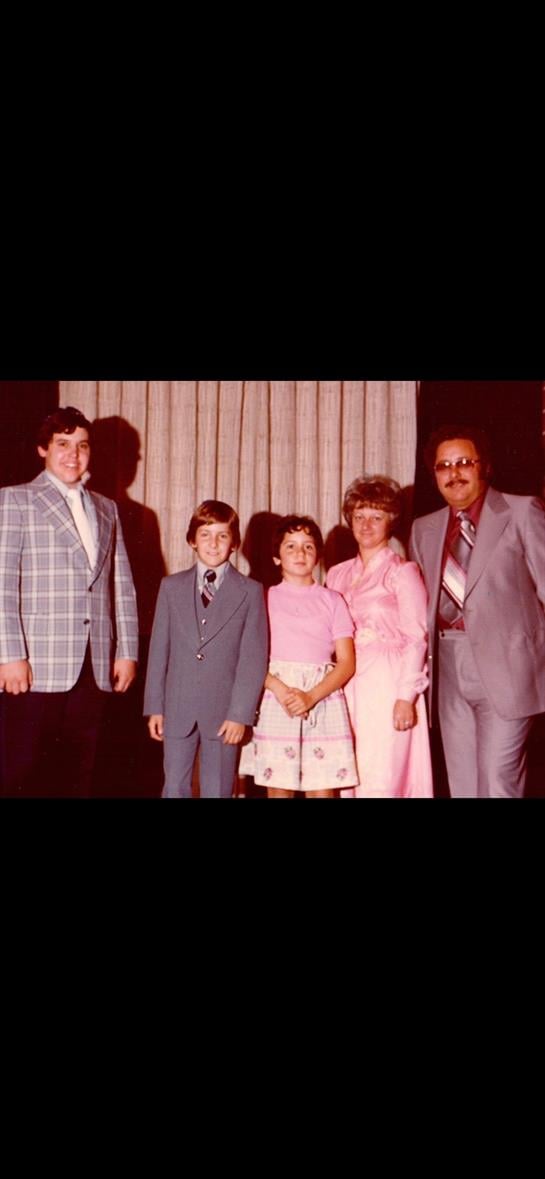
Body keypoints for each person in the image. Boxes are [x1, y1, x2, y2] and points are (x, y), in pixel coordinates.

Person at [0, 405, 138, 797]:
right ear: (43, 449)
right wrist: (9, 655)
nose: (73, 455)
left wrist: (126, 651)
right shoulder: (16, 501)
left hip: (94, 667)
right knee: (22, 775)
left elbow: (120, 586)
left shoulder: (107, 509)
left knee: (80, 776)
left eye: (82, 445)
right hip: (33, 667)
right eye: (62, 444)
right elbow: (2, 584)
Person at [409, 424, 545, 799]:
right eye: (443, 466)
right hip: (448, 668)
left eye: (464, 462)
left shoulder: (521, 511)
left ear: (484, 467)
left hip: (508, 670)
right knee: (463, 785)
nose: (454, 474)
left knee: (497, 781)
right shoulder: (423, 529)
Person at [144, 499, 268, 798]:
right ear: (192, 541)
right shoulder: (170, 587)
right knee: (174, 785)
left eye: (222, 535)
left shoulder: (250, 592)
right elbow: (159, 650)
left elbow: (253, 659)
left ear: (234, 543)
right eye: (205, 535)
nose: (213, 543)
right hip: (177, 708)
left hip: (224, 713)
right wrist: (155, 707)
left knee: (219, 788)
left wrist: (240, 713)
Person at [327, 476, 433, 798]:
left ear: (391, 521)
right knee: (350, 768)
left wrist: (406, 697)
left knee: (383, 772)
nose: (366, 524)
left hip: (388, 684)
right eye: (359, 516)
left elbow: (417, 638)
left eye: (376, 516)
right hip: (346, 682)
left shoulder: (403, 572)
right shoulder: (336, 573)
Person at [240, 515, 358, 798]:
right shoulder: (263, 598)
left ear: (318, 555)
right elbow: (249, 657)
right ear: (276, 557)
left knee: (322, 789)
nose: (300, 553)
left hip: (322, 701)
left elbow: (346, 662)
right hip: (277, 700)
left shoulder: (333, 600)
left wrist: (311, 696)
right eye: (290, 546)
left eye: (308, 546)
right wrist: (281, 690)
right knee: (280, 788)